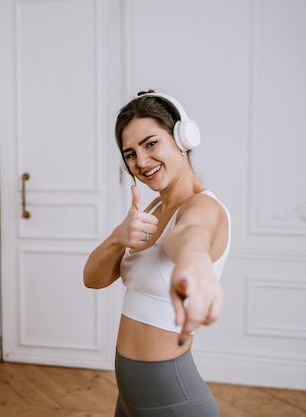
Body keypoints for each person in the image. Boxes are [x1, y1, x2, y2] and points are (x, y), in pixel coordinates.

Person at [83, 90, 231, 416]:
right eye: (130, 153)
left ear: (182, 137)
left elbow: (191, 234)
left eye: (151, 144)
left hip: (172, 398)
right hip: (132, 393)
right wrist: (117, 237)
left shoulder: (203, 206)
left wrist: (194, 260)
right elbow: (92, 279)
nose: (141, 161)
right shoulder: (151, 208)